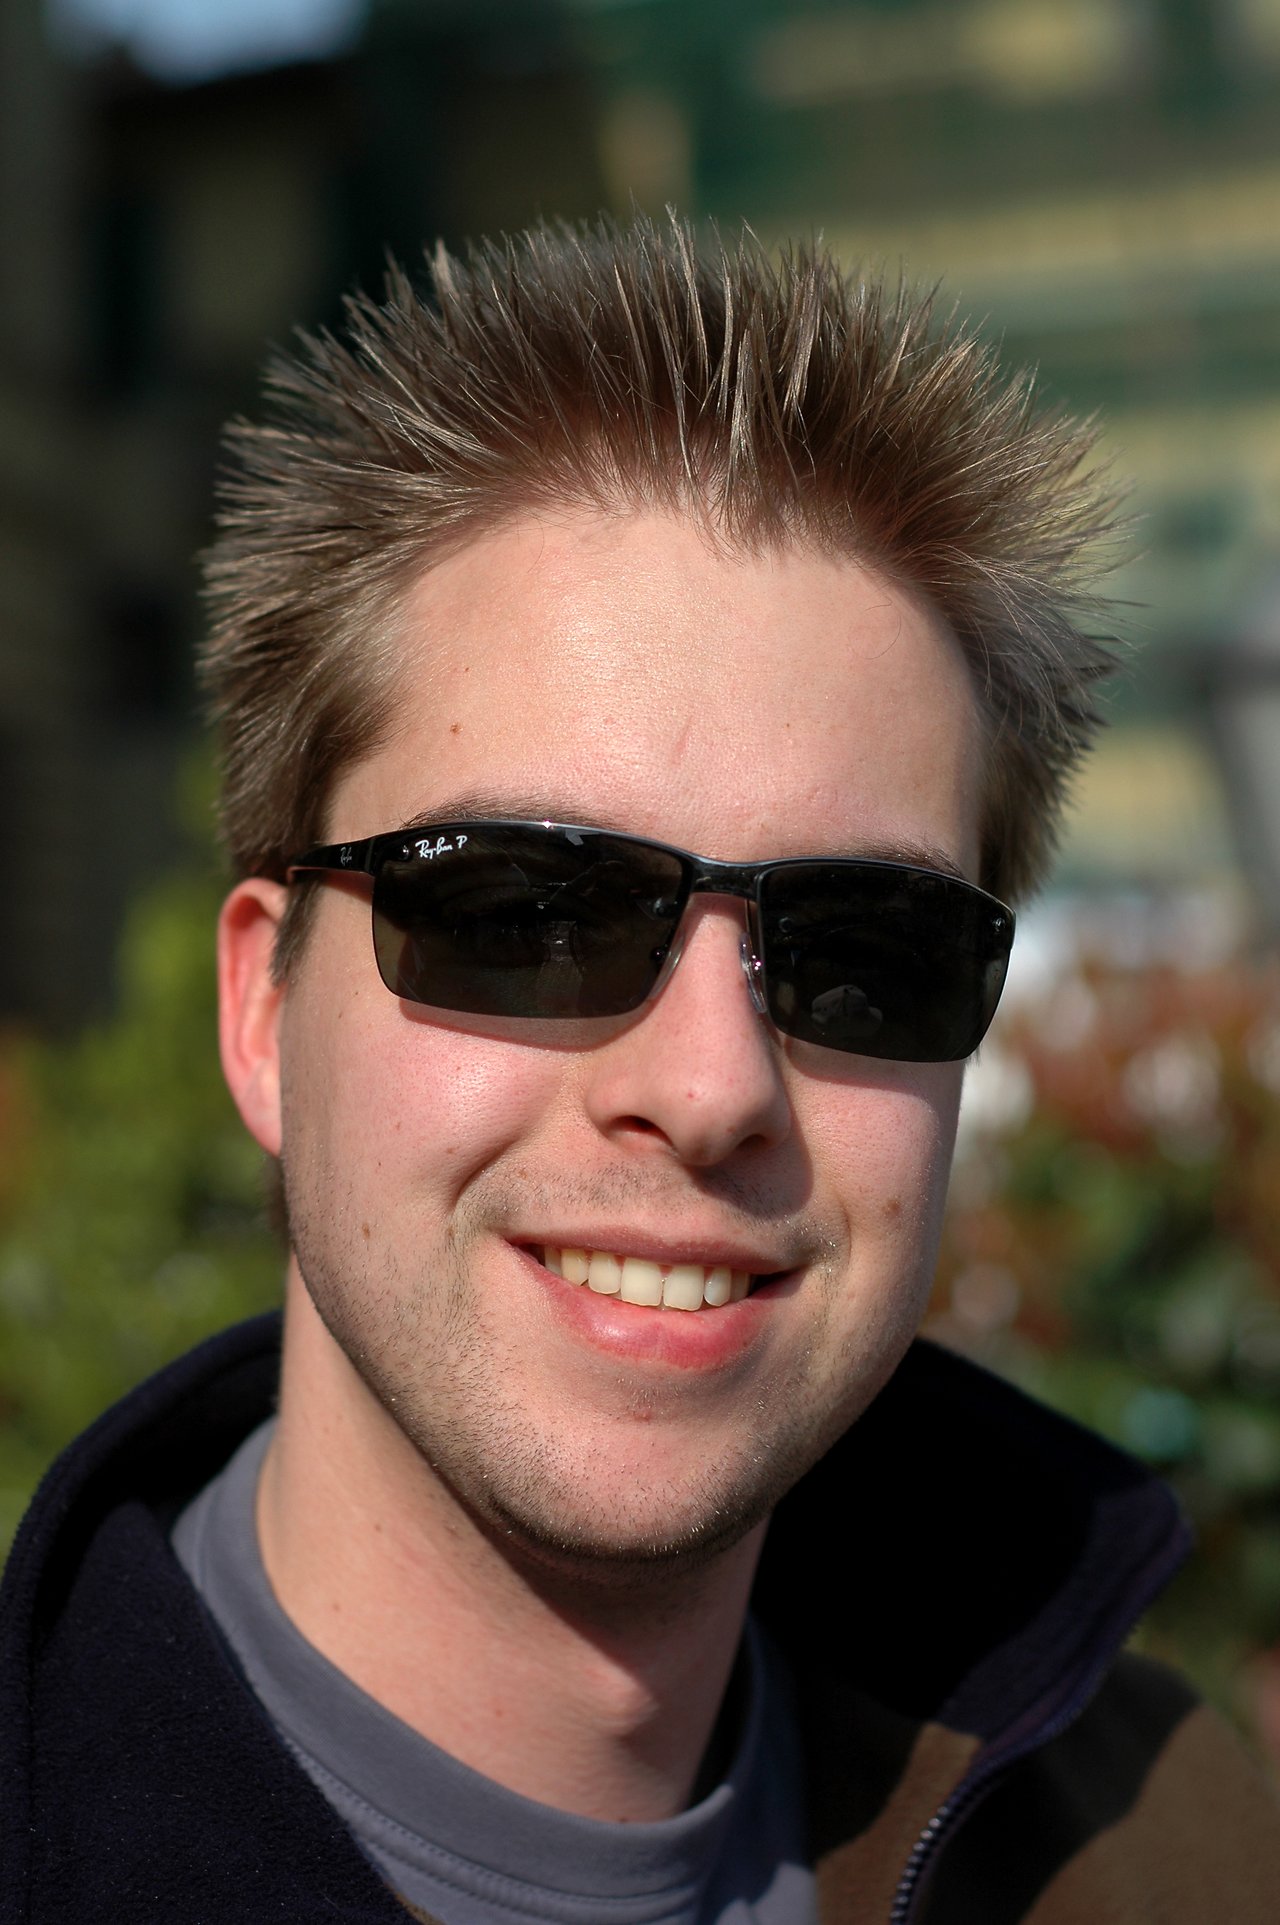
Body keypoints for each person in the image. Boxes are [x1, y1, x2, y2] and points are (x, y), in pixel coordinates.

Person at [3, 214, 1278, 1925]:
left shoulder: (1176, 1842)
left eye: (862, 953)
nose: (711, 1084)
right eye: (529, 910)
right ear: (261, 1014)